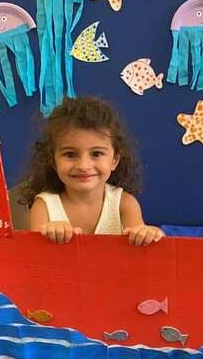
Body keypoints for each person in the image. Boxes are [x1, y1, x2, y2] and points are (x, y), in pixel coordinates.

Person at [20, 96, 165, 246]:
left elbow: (139, 249)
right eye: (70, 154)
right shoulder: (44, 206)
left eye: (96, 154)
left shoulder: (125, 204)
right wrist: (50, 234)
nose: (83, 166)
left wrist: (148, 235)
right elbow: (36, 256)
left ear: (114, 160)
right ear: (53, 161)